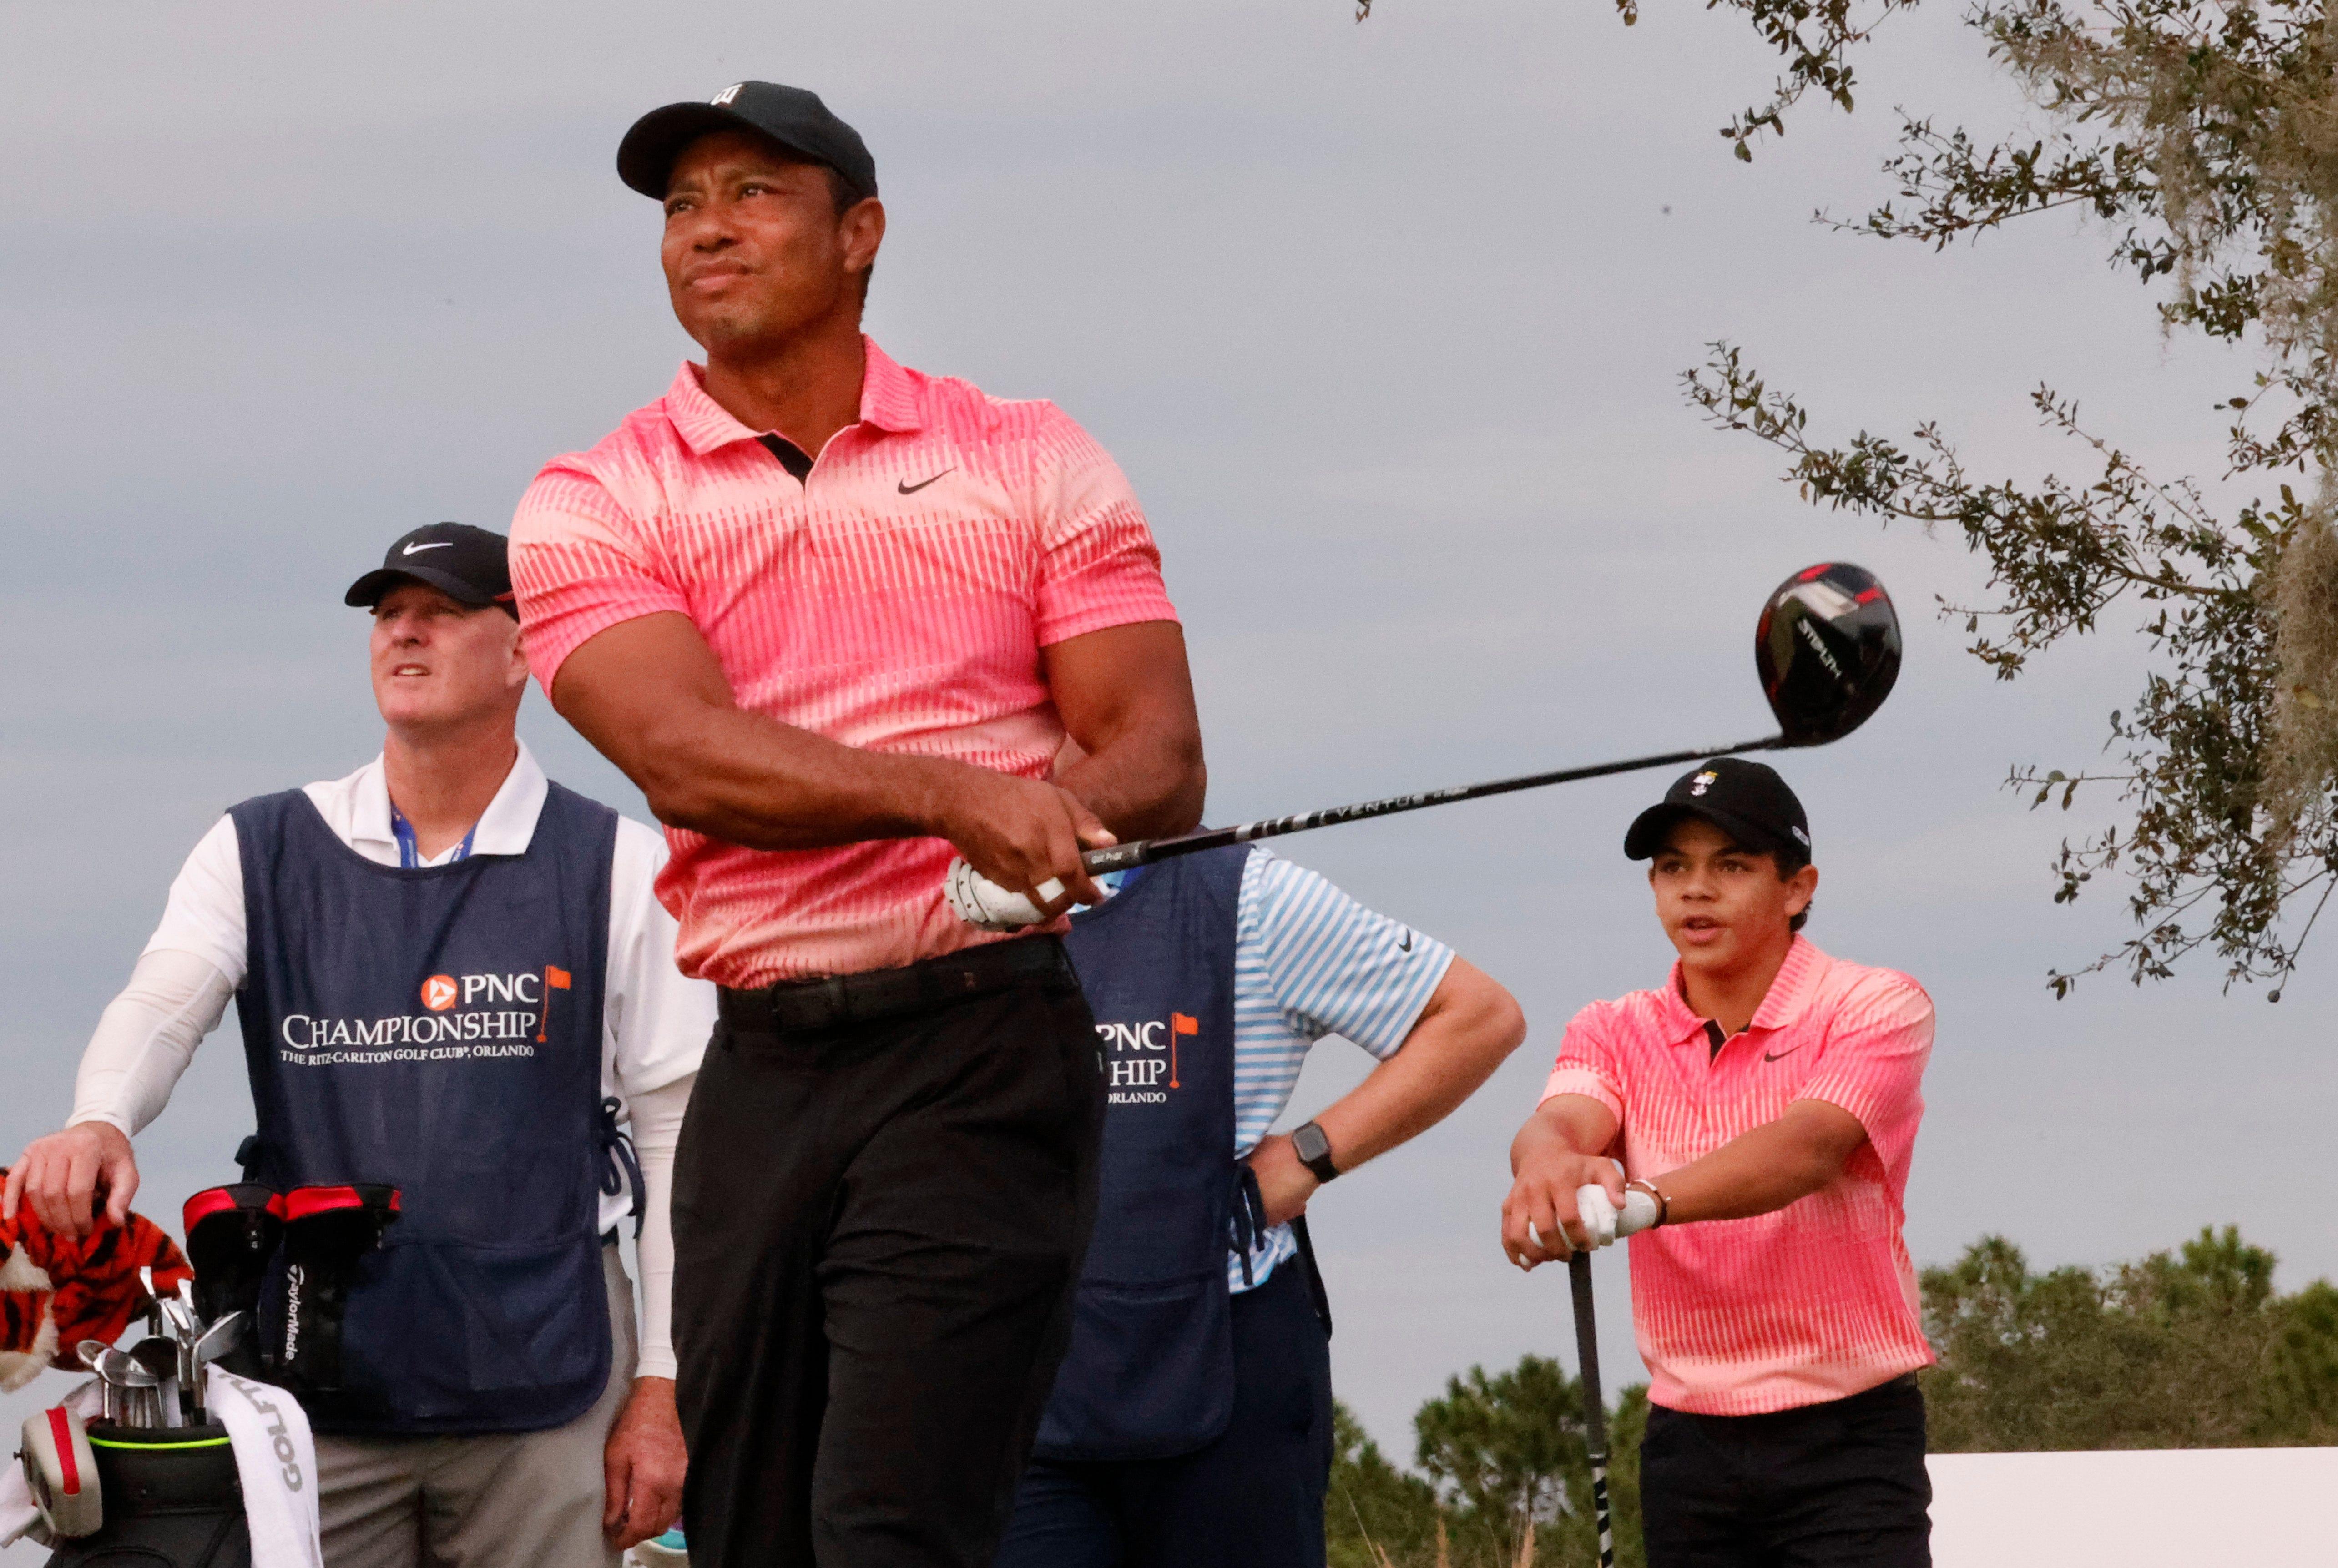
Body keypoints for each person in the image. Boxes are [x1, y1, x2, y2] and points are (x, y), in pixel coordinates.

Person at [505, 81, 1206, 1568]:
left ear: (861, 231)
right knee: (753, 1532)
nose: (707, 228)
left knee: (889, 1524)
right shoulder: (591, 498)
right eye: (683, 204)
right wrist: (961, 794)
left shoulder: (1027, 451)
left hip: (982, 1047)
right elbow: (685, 754)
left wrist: (1060, 815)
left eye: (754, 193)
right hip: (760, 1059)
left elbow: (1156, 744)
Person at [3, 522, 715, 1568]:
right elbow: (164, 997)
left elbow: (676, 1149)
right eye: (387, 614)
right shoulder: (263, 846)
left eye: (442, 611)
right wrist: (100, 1114)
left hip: (549, 1381)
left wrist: (662, 1386)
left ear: (524, 650)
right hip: (314, 1392)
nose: (404, 634)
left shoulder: (614, 862)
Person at [995, 844, 1525, 1567]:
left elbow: (1477, 1016)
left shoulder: (1253, 896)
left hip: (1227, 1363)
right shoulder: (948, 892)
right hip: (1016, 1377)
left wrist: (1312, 1153)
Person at [1501, 758, 1935, 1567]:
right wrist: (1547, 1167)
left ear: (1798, 887)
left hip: (1847, 1436)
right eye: (1674, 868)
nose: (1695, 891)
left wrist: (1642, 1202)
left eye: (1730, 866)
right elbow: (1560, 1120)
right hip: (1688, 1443)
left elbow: (1804, 1149)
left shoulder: (1875, 1004)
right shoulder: (1612, 1026)